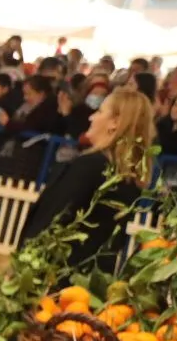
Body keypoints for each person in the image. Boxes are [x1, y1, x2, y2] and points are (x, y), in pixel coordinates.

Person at [20, 86, 154, 273]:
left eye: (99, 112)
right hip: (89, 279)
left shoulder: (90, 166)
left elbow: (53, 219)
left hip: (55, 274)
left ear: (114, 122)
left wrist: (25, 265)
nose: (91, 117)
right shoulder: (129, 177)